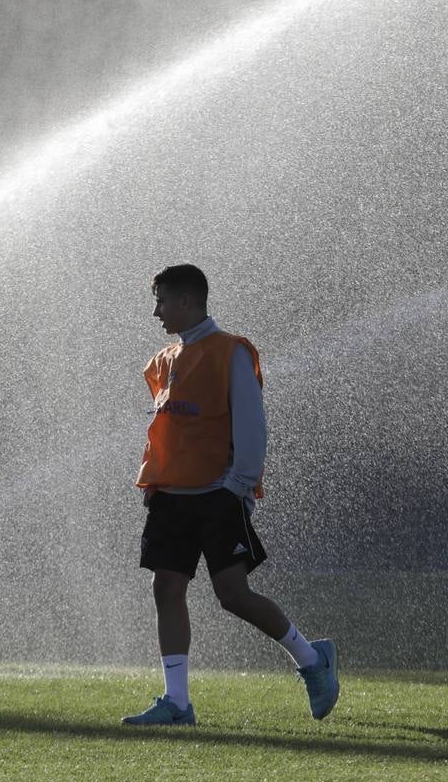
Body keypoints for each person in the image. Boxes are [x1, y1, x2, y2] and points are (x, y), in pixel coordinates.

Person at [122, 263, 338, 726]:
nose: (156, 311)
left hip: (217, 494)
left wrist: (238, 485)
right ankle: (177, 702)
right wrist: (154, 481)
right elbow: (165, 429)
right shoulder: (163, 359)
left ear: (186, 301)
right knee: (166, 588)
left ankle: (312, 659)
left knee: (233, 595)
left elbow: (251, 423)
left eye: (161, 300)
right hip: (171, 496)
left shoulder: (230, 351)